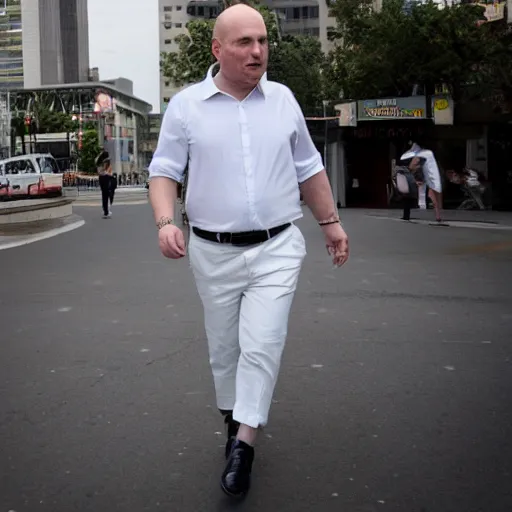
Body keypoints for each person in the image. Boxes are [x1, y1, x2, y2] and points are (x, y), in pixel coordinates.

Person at [148, 3, 349, 498]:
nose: (257, 50)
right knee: (225, 351)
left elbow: (308, 167)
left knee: (261, 344)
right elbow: (164, 171)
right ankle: (236, 418)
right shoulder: (186, 106)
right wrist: (165, 221)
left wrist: (332, 224)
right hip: (211, 252)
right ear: (218, 49)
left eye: (262, 40)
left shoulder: (283, 101)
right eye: (244, 42)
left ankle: (244, 444)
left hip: (277, 247)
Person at [96, 150, 113, 218]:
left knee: (104, 195)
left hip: (101, 178)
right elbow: (106, 171)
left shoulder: (98, 161)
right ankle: (106, 212)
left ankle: (105, 210)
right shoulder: (105, 162)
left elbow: (100, 171)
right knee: (106, 195)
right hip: (105, 178)